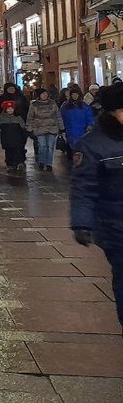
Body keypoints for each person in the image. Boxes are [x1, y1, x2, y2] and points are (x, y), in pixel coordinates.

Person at [69, 82, 123, 332]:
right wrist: (81, 223)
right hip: (116, 228)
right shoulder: (92, 145)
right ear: (113, 112)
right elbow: (84, 188)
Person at [26, 89, 63, 172]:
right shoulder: (34, 105)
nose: (45, 95)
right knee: (42, 146)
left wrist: (61, 127)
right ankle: (42, 162)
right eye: (43, 94)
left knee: (50, 147)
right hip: (40, 128)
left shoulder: (52, 103)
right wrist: (29, 128)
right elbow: (30, 116)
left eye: (46, 93)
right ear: (39, 95)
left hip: (52, 127)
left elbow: (58, 115)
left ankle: (49, 163)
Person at [61, 90, 95, 159]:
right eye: (73, 94)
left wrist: (90, 124)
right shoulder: (65, 106)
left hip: (81, 130)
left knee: (79, 148)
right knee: (72, 148)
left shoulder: (84, 106)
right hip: (70, 129)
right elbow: (61, 117)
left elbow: (89, 116)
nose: (75, 96)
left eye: (76, 94)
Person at [0, 102, 28, 172]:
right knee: (8, 152)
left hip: (17, 139)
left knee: (18, 151)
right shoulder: (1, 118)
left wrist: (24, 136)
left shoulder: (18, 118)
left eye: (12, 108)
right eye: (8, 109)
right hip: (6, 139)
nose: (10, 110)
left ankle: (19, 163)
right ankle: (9, 165)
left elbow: (23, 127)